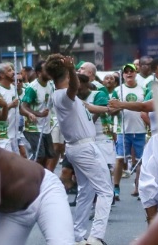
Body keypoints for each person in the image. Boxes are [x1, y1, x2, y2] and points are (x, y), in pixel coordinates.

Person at [45, 54, 112, 245]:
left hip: (78, 147)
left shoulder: (66, 97)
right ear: (66, 73)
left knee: (86, 191)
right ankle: (96, 237)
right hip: (84, 147)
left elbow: (89, 107)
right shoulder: (63, 95)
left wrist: (111, 108)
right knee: (106, 191)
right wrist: (72, 70)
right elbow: (74, 87)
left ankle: (78, 236)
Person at [109, 65, 158, 224]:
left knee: (150, 182)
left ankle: (155, 222)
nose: (157, 79)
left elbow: (144, 106)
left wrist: (121, 104)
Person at [112, 63, 148, 201]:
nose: (128, 74)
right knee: (120, 159)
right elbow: (111, 110)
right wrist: (118, 107)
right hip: (123, 129)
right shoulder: (118, 90)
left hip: (139, 129)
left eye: (131, 71)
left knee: (140, 161)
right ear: (123, 75)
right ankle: (116, 187)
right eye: (126, 72)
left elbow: (147, 107)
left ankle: (138, 187)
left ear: (135, 73)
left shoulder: (143, 90)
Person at [20, 60, 56, 168]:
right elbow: (23, 107)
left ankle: (43, 179)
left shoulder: (51, 85)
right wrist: (39, 114)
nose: (50, 71)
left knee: (48, 156)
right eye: (46, 69)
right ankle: (32, 176)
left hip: (46, 127)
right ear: (39, 73)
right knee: (39, 156)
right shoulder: (32, 88)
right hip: (33, 128)